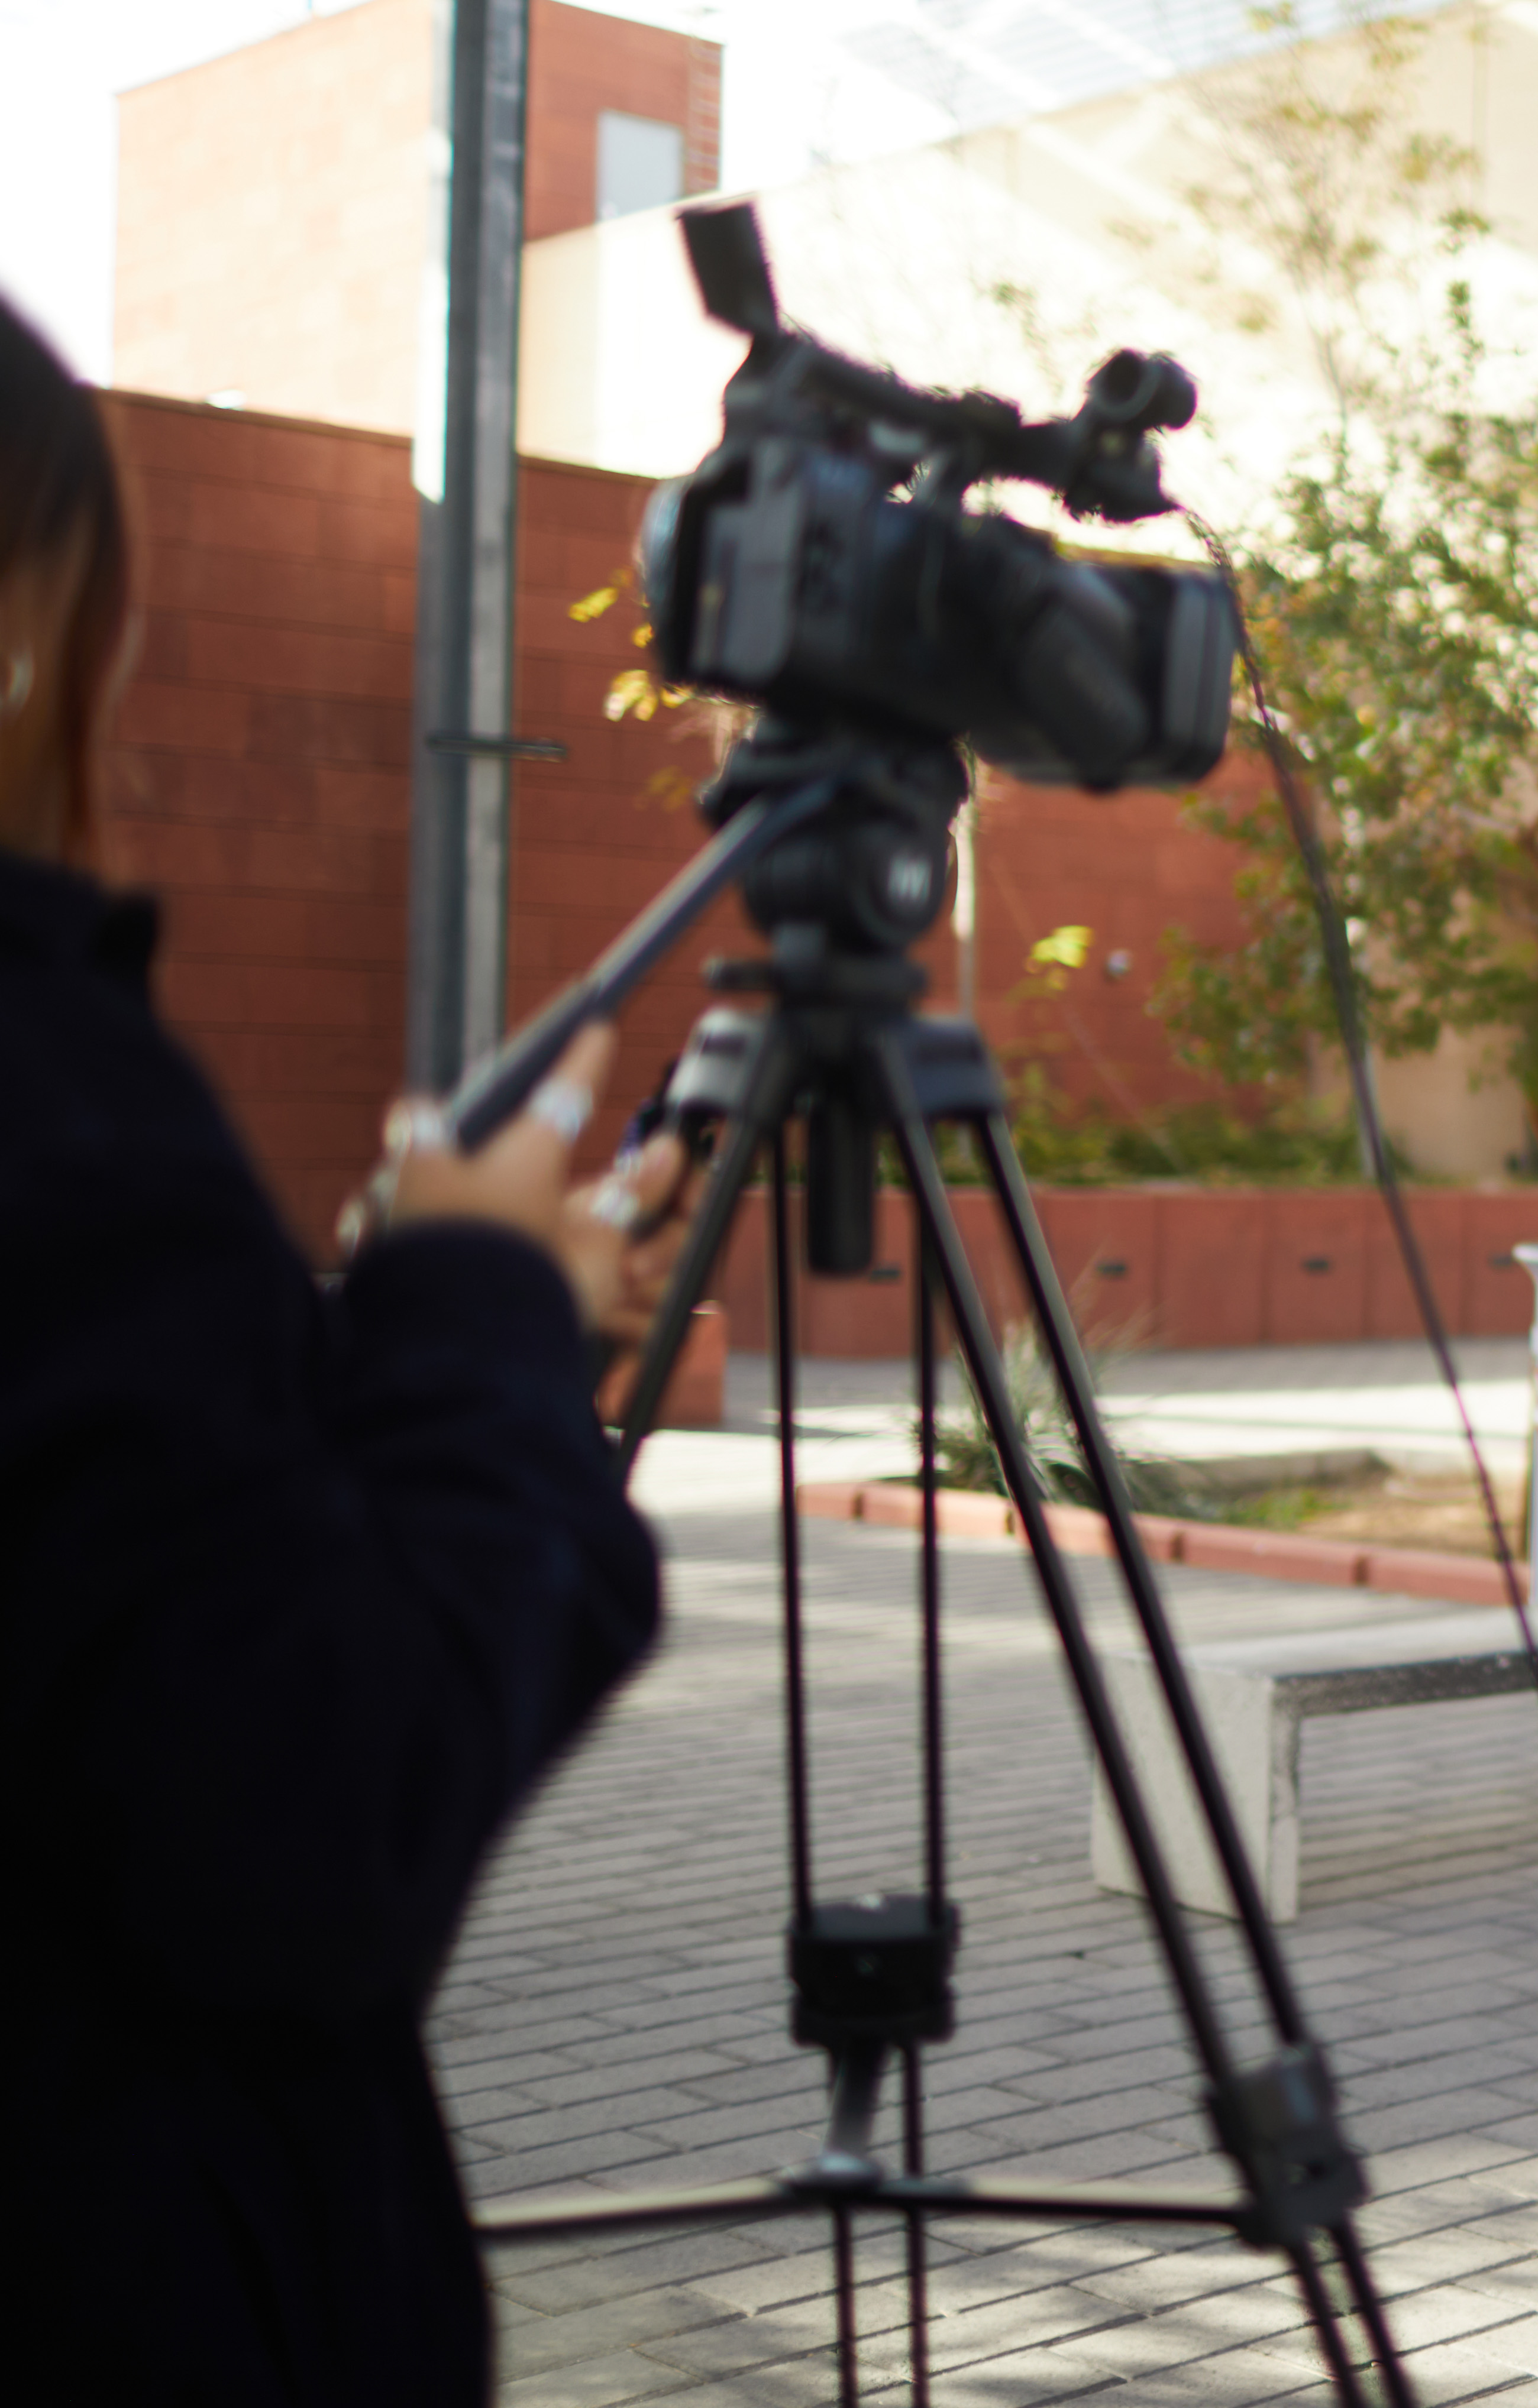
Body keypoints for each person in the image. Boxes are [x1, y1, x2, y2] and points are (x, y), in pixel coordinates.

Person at [0, 299, 689, 2401]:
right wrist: (478, 1327)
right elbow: (310, 1831)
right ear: (31, 615)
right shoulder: (54, 1102)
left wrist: (388, 1344)